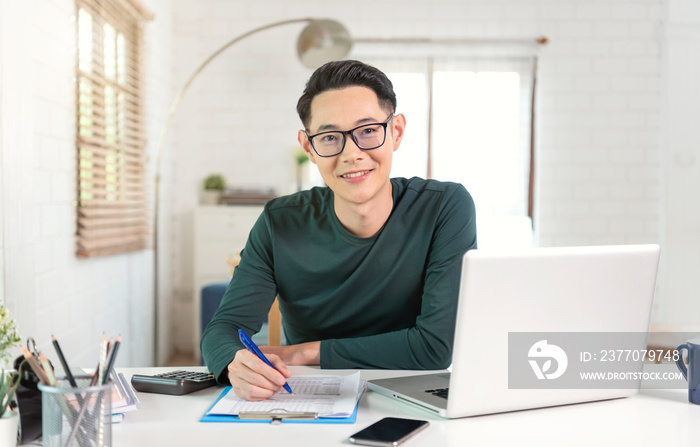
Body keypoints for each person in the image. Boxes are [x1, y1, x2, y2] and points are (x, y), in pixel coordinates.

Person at [201, 59, 477, 401]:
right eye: (330, 137)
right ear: (309, 147)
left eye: (368, 131)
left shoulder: (444, 207)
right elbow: (223, 331)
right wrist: (233, 365)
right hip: (310, 397)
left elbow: (434, 347)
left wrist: (302, 352)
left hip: (414, 395)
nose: (352, 153)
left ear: (397, 132)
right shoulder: (280, 221)